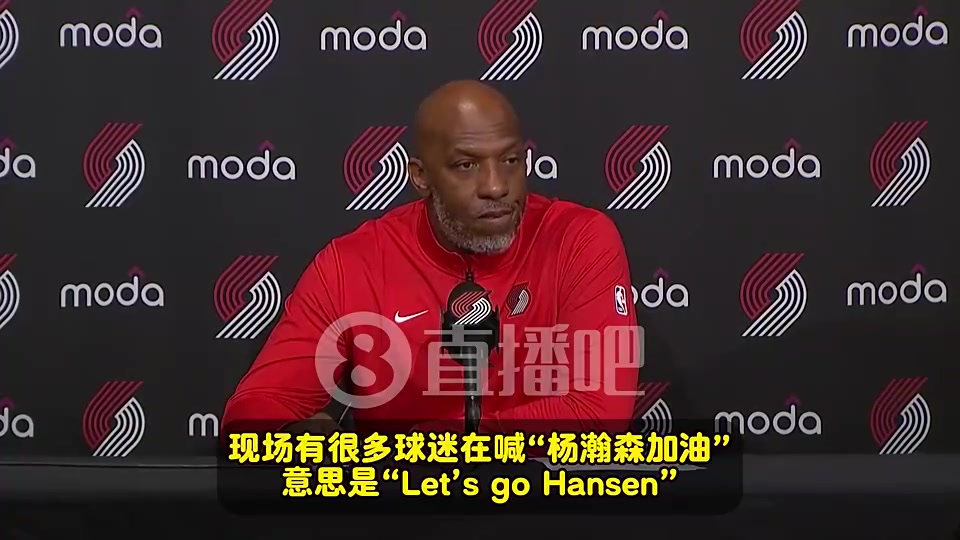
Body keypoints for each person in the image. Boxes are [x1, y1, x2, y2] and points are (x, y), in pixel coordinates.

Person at [222, 80, 640, 436]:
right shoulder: (354, 264)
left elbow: (599, 413)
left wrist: (426, 445)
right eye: (466, 165)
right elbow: (252, 412)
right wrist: (298, 437)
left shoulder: (577, 239)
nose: (496, 186)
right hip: (403, 501)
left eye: (510, 160)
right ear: (421, 176)